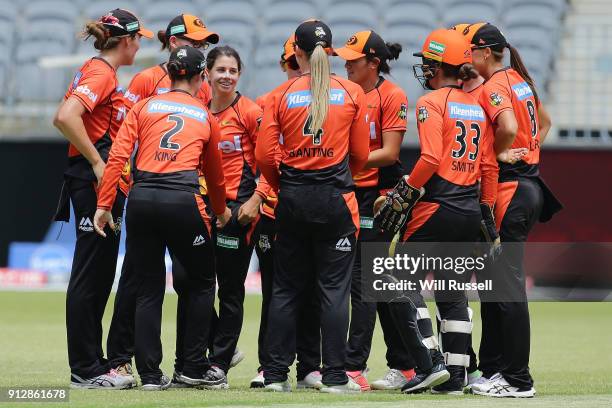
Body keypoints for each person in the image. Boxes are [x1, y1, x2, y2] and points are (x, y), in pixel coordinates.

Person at [94, 45, 231, 390]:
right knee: (201, 283)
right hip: (182, 200)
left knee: (147, 288)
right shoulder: (205, 115)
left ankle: (152, 376)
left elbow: (117, 158)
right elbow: (215, 177)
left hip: (141, 200)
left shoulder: (143, 107)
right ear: (202, 78)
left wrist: (104, 204)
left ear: (169, 74)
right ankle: (193, 369)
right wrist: (220, 210)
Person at [375, 28, 497, 394]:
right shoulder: (478, 105)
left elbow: (429, 158)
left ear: (435, 65)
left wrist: (405, 192)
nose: (424, 69)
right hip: (468, 210)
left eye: (427, 62)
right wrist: (487, 215)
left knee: (396, 280)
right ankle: (456, 379)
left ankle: (430, 364)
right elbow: (489, 167)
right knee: (453, 294)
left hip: (436, 207)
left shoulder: (431, 103)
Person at [255, 20, 370, 393]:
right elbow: (362, 155)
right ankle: (335, 376)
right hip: (336, 201)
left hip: (292, 200)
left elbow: (264, 157)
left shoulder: (279, 95)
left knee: (286, 290)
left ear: (296, 54)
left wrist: (283, 184)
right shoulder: (352, 92)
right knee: (334, 291)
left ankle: (274, 375)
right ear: (332, 52)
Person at [455, 23, 561, 398]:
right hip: (528, 185)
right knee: (497, 288)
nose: (465, 57)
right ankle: (497, 370)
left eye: (469, 51)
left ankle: (517, 379)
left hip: (510, 189)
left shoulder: (497, 85)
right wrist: (529, 153)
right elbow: (543, 124)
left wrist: (501, 154)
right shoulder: (519, 79)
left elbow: (509, 125)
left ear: (485, 52)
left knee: (507, 288)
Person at [52, 8, 152, 389]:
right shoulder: (101, 72)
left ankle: (92, 363)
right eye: (138, 38)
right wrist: (97, 163)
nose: (140, 43)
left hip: (101, 182)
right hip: (92, 181)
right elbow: (65, 116)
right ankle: (85, 368)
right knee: (91, 272)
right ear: (126, 41)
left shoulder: (104, 72)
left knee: (99, 270)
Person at [334, 30, 417, 392]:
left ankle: (354, 366)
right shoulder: (345, 91)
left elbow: (390, 152)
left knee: (364, 280)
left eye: (354, 59)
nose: (346, 63)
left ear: (374, 62)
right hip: (346, 190)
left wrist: (341, 162)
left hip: (377, 196)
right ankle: (406, 364)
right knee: (373, 283)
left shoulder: (391, 94)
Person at [250, 34, 323, 390]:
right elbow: (262, 159)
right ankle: (270, 365)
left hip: (303, 205)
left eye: (300, 63)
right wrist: (268, 191)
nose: (297, 70)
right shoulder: (269, 101)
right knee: (276, 293)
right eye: (292, 64)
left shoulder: (331, 98)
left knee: (312, 291)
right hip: (276, 209)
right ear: (285, 64)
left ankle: (310, 365)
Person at [198, 46, 263, 389]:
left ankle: (219, 363)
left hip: (237, 212)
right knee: (189, 280)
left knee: (230, 290)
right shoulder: (197, 110)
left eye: (232, 70)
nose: (226, 76)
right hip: (201, 207)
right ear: (206, 72)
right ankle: (220, 345)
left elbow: (272, 161)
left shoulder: (251, 112)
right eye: (220, 69)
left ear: (240, 74)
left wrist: (256, 200)